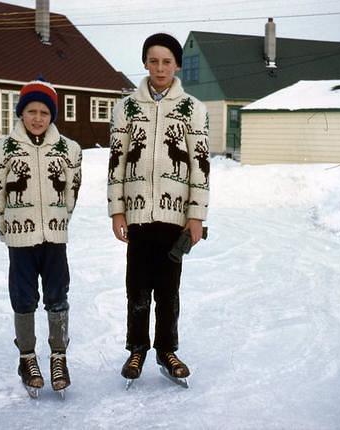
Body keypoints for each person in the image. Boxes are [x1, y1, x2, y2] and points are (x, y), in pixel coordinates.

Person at [107, 33, 210, 383]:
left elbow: (200, 166)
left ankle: (167, 350)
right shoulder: (127, 108)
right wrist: (116, 210)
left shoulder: (193, 109)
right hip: (137, 215)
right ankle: (137, 349)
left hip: (174, 216)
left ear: (177, 64)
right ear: (145, 63)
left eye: (167, 61)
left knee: (168, 288)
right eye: (154, 61)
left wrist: (196, 215)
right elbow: (116, 162)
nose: (160, 68)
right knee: (137, 286)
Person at [0, 78, 82, 398]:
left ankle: (59, 357)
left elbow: (71, 191)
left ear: (52, 115)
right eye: (31, 111)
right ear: (21, 113)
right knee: (23, 297)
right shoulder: (2, 150)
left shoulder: (69, 150)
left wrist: (59, 221)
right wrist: (5, 228)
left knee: (57, 294)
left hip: (54, 237)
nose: (37, 118)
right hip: (20, 239)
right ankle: (27, 357)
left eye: (44, 112)